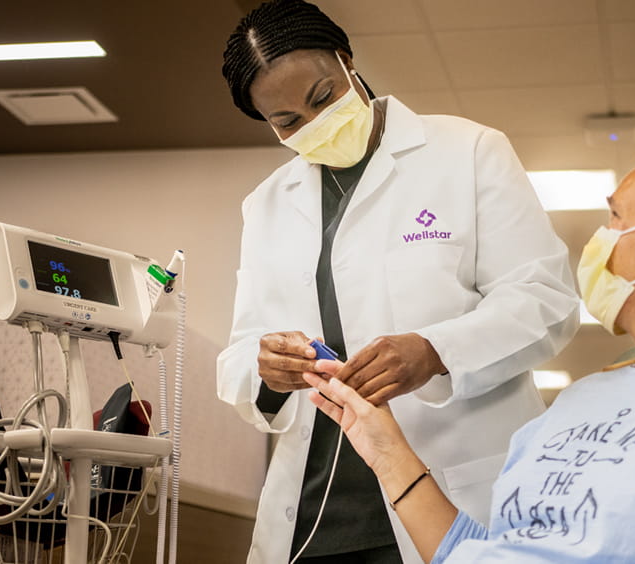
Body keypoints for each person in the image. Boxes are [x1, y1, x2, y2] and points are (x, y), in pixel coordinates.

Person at [305, 142, 635, 563]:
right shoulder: (584, 398)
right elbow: (480, 554)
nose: (599, 241)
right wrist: (384, 449)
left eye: (616, 219)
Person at [215, 1, 580, 562]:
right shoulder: (266, 205)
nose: (313, 123)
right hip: (316, 517)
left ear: (347, 61)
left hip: (453, 495)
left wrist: (435, 350)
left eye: (323, 96)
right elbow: (243, 349)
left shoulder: (468, 151)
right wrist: (266, 368)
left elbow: (545, 300)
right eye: (287, 121)